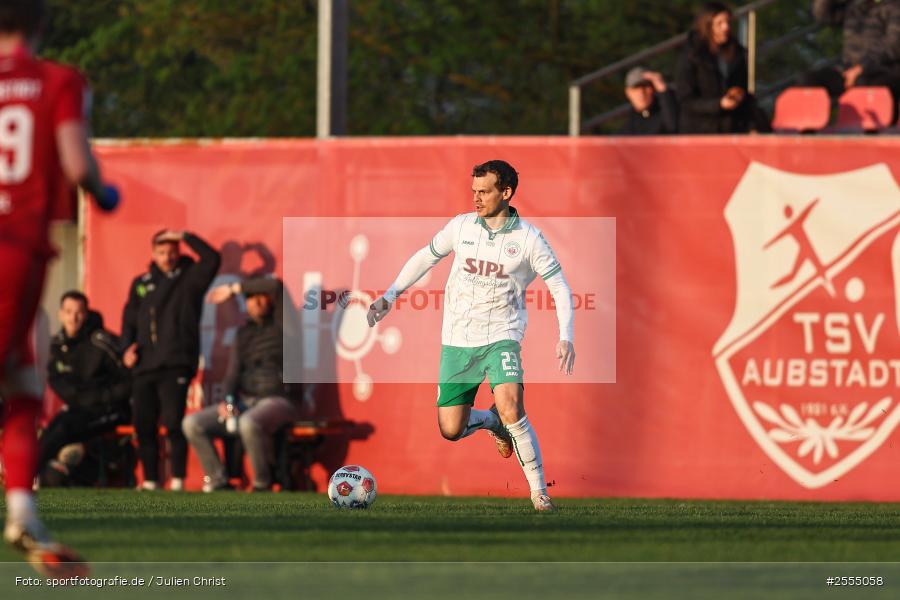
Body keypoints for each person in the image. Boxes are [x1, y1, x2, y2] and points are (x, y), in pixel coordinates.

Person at [367, 160, 575, 512]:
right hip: (458, 340)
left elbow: (559, 285)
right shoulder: (461, 226)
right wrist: (389, 295)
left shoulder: (529, 239)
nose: (476, 199)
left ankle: (539, 494)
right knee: (451, 429)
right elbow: (424, 257)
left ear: (506, 193)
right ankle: (490, 420)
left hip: (502, 336)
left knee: (512, 406)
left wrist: (565, 334)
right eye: (474, 191)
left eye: (484, 191)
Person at [0, 0, 119, 575]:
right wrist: (105, 193)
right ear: (40, 25)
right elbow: (76, 165)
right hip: (13, 249)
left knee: (22, 376)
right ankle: (22, 510)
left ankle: (24, 508)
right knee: (19, 379)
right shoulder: (57, 80)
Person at [121, 230, 220, 491]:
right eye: (162, 252)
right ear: (153, 253)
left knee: (174, 422)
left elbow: (212, 259)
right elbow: (129, 319)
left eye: (172, 252)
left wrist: (185, 235)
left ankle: (177, 480)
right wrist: (125, 350)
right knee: (143, 424)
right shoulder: (141, 282)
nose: (167, 258)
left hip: (176, 362)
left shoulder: (190, 277)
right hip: (144, 365)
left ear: (179, 252)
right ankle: (151, 480)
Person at [183, 276, 298, 492]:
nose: (257, 302)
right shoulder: (242, 334)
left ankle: (262, 484)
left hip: (278, 399)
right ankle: (218, 480)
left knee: (248, 422)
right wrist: (226, 402)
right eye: (251, 298)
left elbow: (276, 285)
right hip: (246, 400)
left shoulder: (285, 326)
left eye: (261, 297)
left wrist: (233, 289)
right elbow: (232, 374)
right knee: (192, 423)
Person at [40, 291, 131, 484]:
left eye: (79, 312)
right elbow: (56, 379)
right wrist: (77, 399)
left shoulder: (101, 341)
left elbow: (128, 377)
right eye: (68, 312)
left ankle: (38, 473)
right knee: (53, 430)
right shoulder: (57, 345)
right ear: (60, 314)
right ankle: (51, 469)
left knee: (64, 428)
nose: (73, 318)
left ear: (86, 314)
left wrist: (104, 397)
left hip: (111, 409)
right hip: (79, 408)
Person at [675, 2, 771, 133]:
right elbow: (686, 100)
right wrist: (718, 104)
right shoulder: (691, 55)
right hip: (700, 131)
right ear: (707, 25)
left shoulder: (737, 52)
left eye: (728, 22)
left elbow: (743, 90)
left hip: (732, 128)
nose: (726, 27)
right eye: (719, 23)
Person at [801, 0, 900, 114]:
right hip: (848, 72)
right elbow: (823, 15)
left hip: (886, 72)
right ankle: (809, 128)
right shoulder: (854, 6)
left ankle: (874, 127)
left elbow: (894, 46)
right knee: (808, 79)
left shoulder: (895, 6)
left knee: (863, 82)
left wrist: (861, 67)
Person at [620, 67, 679, 135]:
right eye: (636, 88)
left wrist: (663, 91)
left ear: (653, 89)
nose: (641, 93)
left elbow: (673, 126)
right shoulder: (629, 125)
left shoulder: (667, 112)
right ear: (628, 92)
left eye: (645, 87)